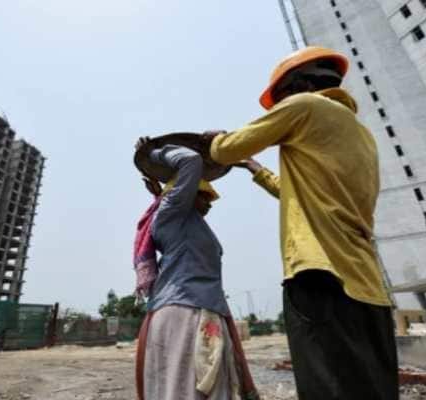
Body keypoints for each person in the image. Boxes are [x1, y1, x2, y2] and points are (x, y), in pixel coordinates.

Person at [206, 46, 398, 399]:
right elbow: (300, 192)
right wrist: (257, 169)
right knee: (372, 388)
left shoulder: (303, 107)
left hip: (320, 275)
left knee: (326, 386)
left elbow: (224, 151)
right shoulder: (360, 134)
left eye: (279, 99)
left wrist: (215, 141)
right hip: (368, 285)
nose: (280, 106)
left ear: (296, 87)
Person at [133, 139, 259, 400]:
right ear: (187, 194)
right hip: (184, 313)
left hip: (204, 310)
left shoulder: (185, 221)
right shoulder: (172, 214)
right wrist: (153, 154)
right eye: (204, 195)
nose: (210, 202)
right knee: (187, 390)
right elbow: (190, 160)